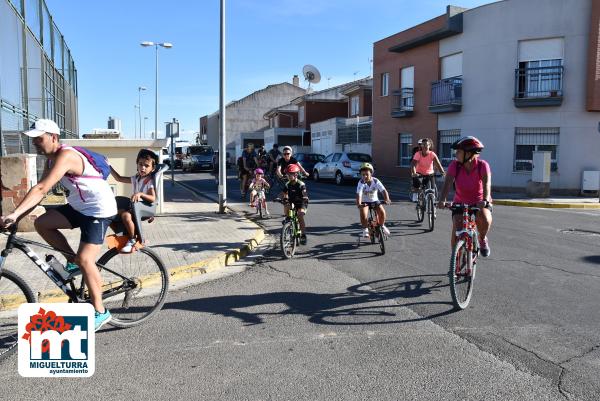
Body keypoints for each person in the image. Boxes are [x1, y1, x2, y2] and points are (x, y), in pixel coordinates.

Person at [0, 119, 116, 330]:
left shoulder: (66, 156)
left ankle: (101, 311)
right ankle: (72, 261)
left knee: (86, 259)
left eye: (39, 138)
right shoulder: (51, 161)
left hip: (99, 209)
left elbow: (42, 188)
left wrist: (15, 214)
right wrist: (17, 215)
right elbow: (39, 192)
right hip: (79, 207)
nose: (35, 142)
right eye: (33, 139)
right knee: (43, 223)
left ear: (53, 137)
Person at [437, 136, 492, 257]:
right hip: (460, 202)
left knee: (485, 220)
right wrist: (442, 200)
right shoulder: (455, 165)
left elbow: (487, 184)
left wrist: (485, 199)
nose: (456, 154)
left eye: (459, 152)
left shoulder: (482, 165)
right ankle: (455, 260)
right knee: (457, 229)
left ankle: (482, 239)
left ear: (469, 153)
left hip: (479, 202)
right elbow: (447, 184)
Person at [109, 149, 158, 253]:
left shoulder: (149, 181)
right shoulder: (136, 178)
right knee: (110, 213)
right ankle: (124, 236)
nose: (143, 168)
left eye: (146, 165)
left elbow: (153, 198)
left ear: (152, 168)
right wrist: (108, 166)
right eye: (140, 164)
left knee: (126, 215)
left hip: (145, 208)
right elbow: (119, 178)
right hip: (135, 207)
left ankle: (132, 240)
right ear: (137, 164)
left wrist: (140, 194)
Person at [356, 163, 391, 238]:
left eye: (366, 174)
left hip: (375, 201)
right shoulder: (361, 183)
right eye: (363, 175)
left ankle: (382, 226)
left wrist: (386, 199)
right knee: (363, 214)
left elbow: (383, 190)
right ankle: (365, 229)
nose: (364, 176)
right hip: (365, 202)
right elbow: (359, 194)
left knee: (382, 212)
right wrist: (359, 204)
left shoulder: (375, 181)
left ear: (371, 173)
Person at [281, 164, 309, 244]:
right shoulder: (287, 184)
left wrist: (305, 196)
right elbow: (284, 193)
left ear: (296, 174)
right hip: (292, 201)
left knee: (300, 215)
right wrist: (283, 198)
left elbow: (304, 192)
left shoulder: (301, 184)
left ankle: (303, 235)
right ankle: (287, 219)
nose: (288, 175)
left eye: (290, 174)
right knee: (286, 204)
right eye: (288, 174)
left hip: (302, 202)